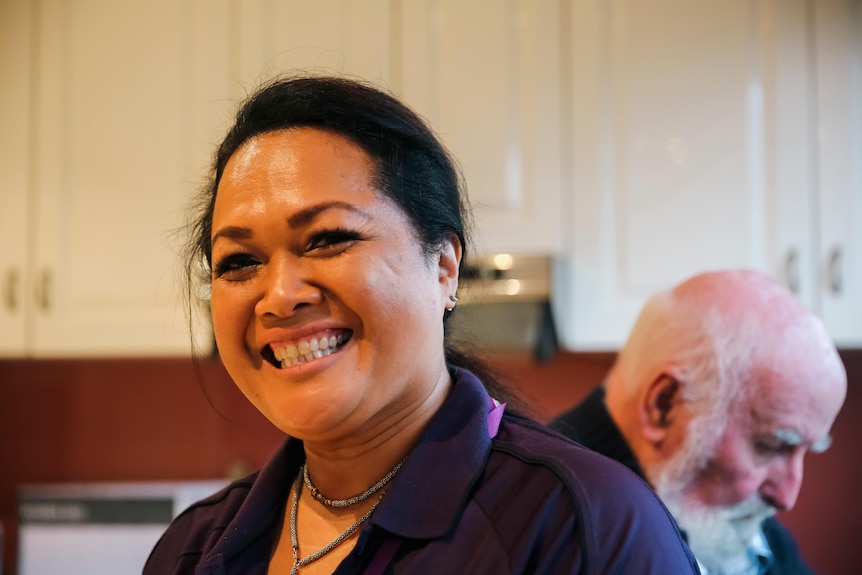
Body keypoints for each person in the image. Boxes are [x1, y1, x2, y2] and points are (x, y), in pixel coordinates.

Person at [143, 75, 699, 574]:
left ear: (444, 267)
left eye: (330, 239)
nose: (280, 297)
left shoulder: (582, 528)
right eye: (239, 262)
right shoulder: (192, 549)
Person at [550, 269, 847, 575]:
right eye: (771, 446)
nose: (787, 496)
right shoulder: (555, 530)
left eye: (806, 450)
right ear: (665, 406)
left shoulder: (730, 514)